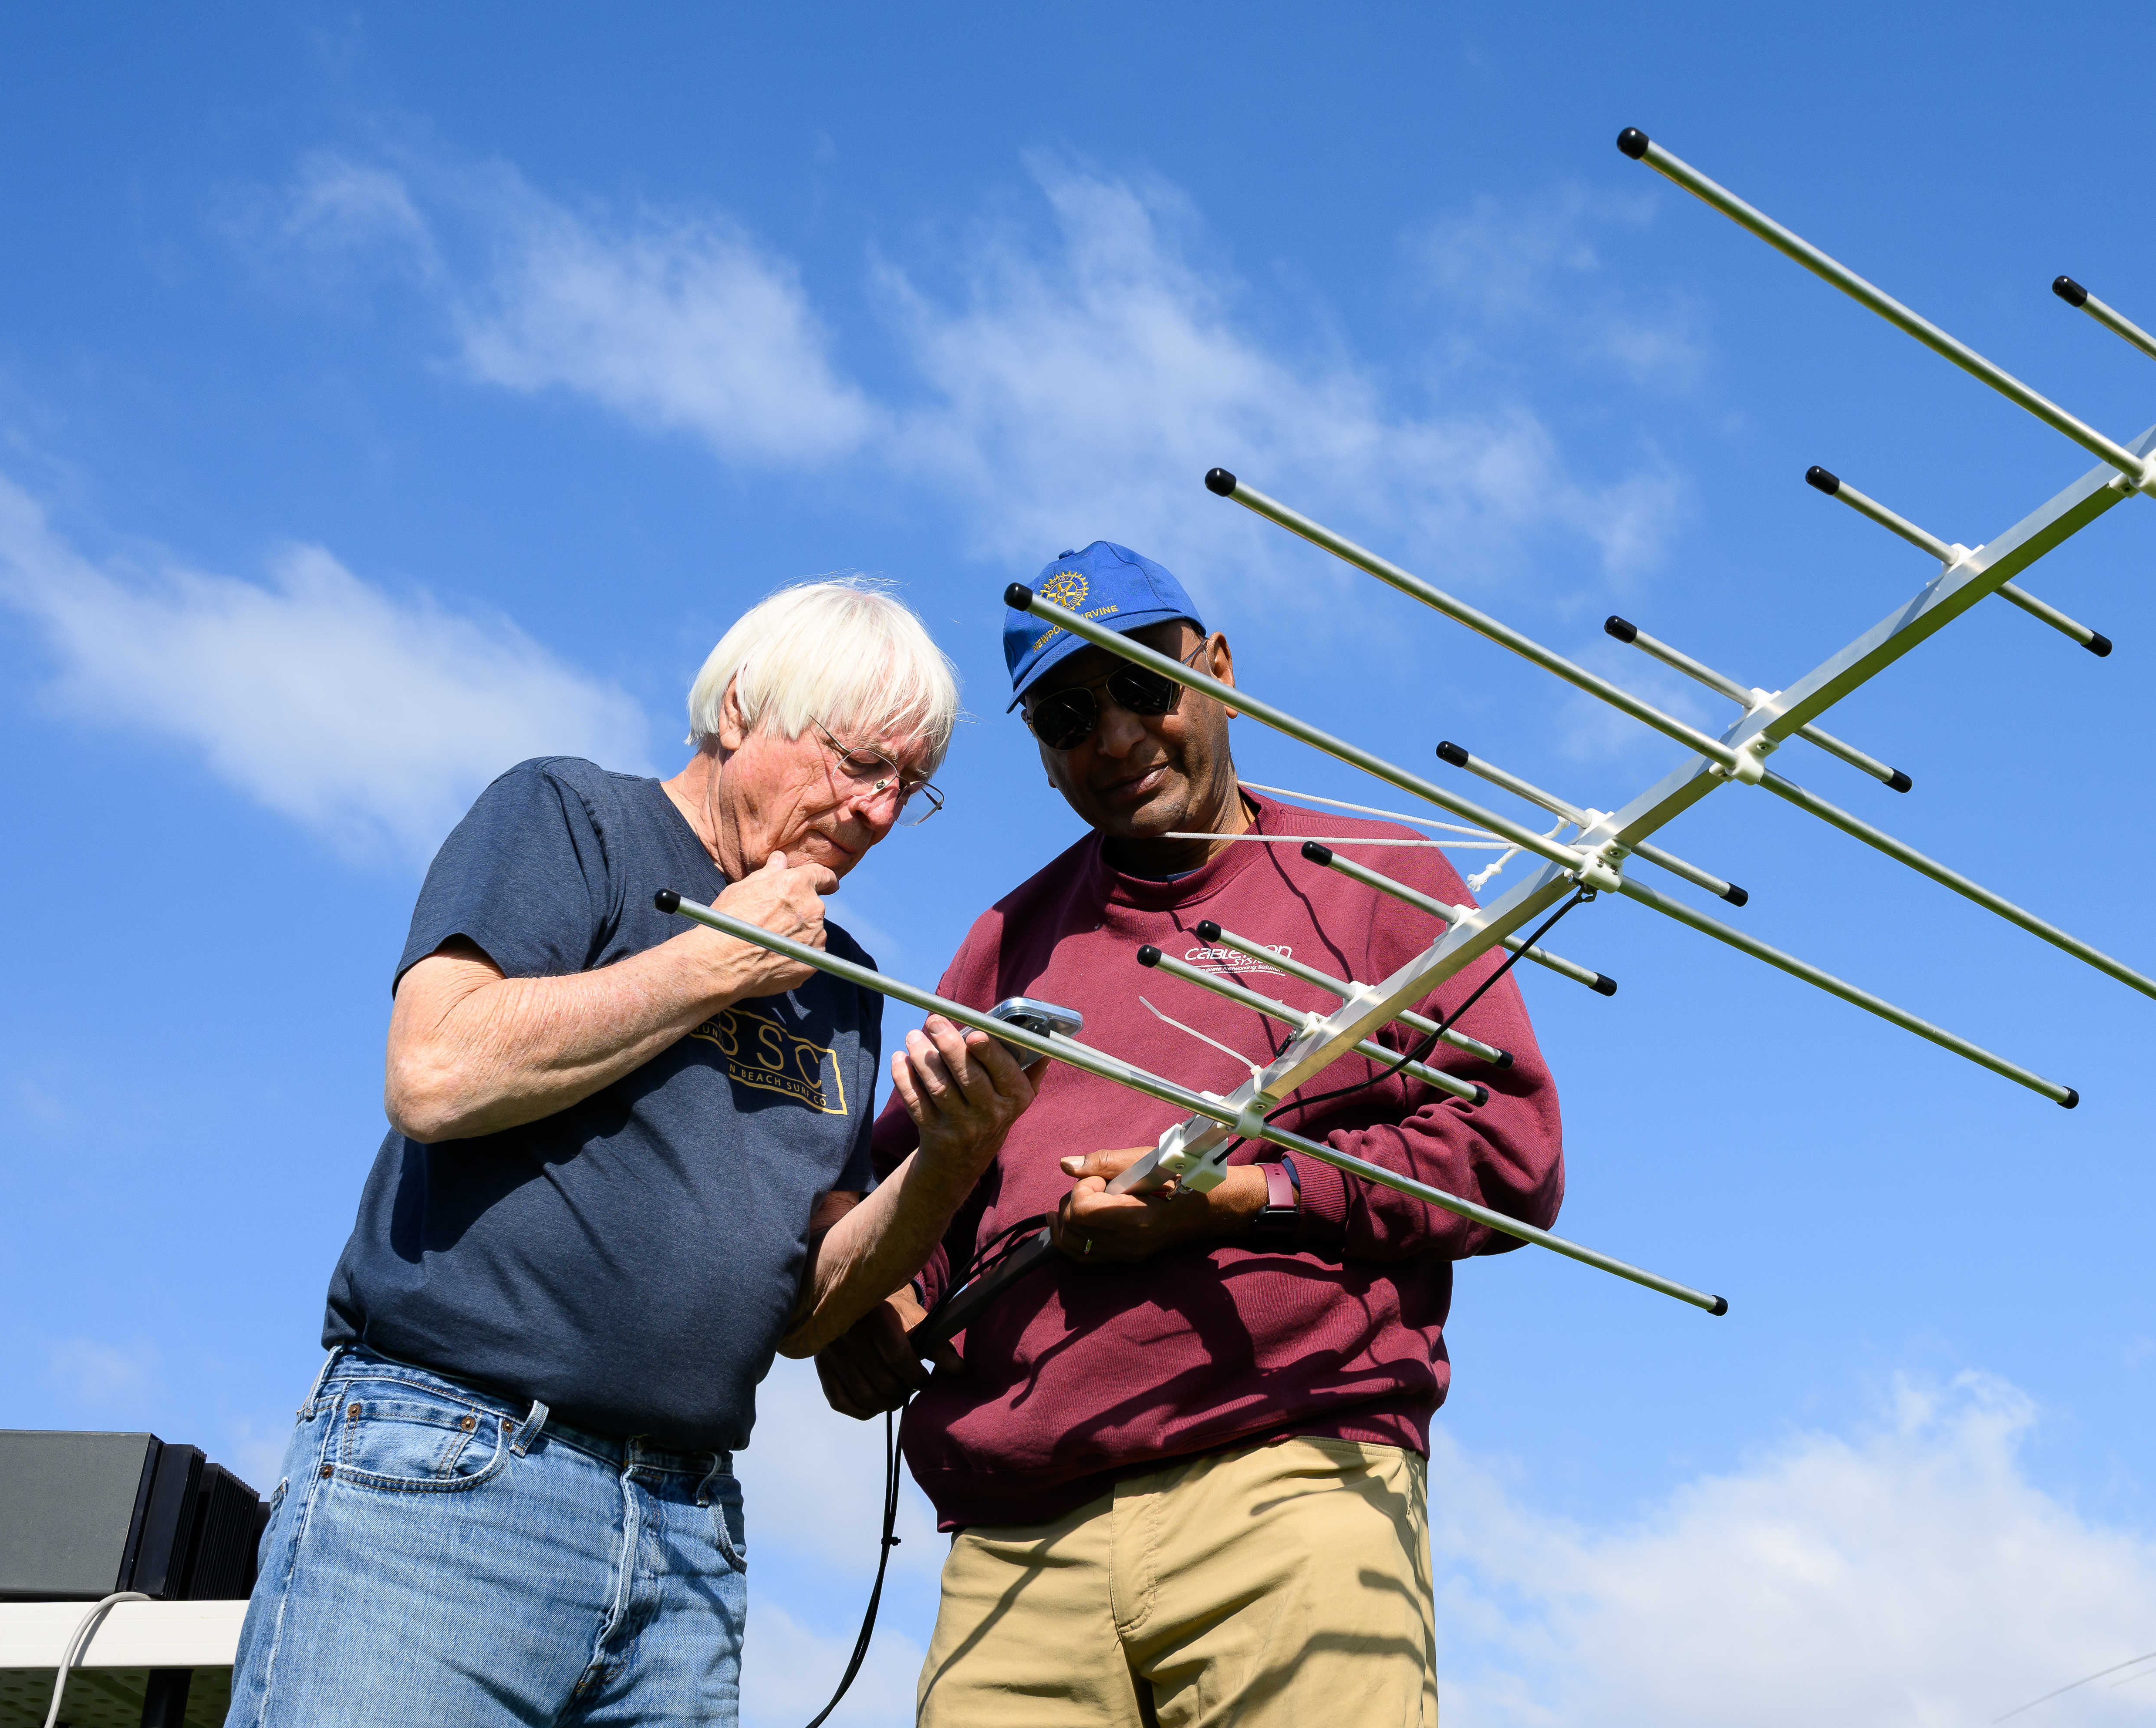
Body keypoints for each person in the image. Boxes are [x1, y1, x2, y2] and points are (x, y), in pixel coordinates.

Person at [226, 579, 1041, 1728]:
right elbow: (435, 1071)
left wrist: (947, 1161)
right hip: (456, 1474)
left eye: (911, 786)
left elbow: (805, 1313)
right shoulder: (570, 818)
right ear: (745, 709)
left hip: (689, 1530)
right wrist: (714, 964)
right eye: (861, 762)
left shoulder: (843, 985)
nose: (877, 811)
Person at [812, 540, 1563, 1728]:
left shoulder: (1375, 879)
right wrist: (886, 1297)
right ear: (1043, 755)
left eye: (1140, 684)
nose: (1111, 737)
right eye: (1066, 714)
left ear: (1214, 668)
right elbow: (913, 1189)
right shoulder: (1006, 942)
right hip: (1019, 1541)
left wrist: (1249, 1197)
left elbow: (1509, 1160)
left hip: (1288, 1479)